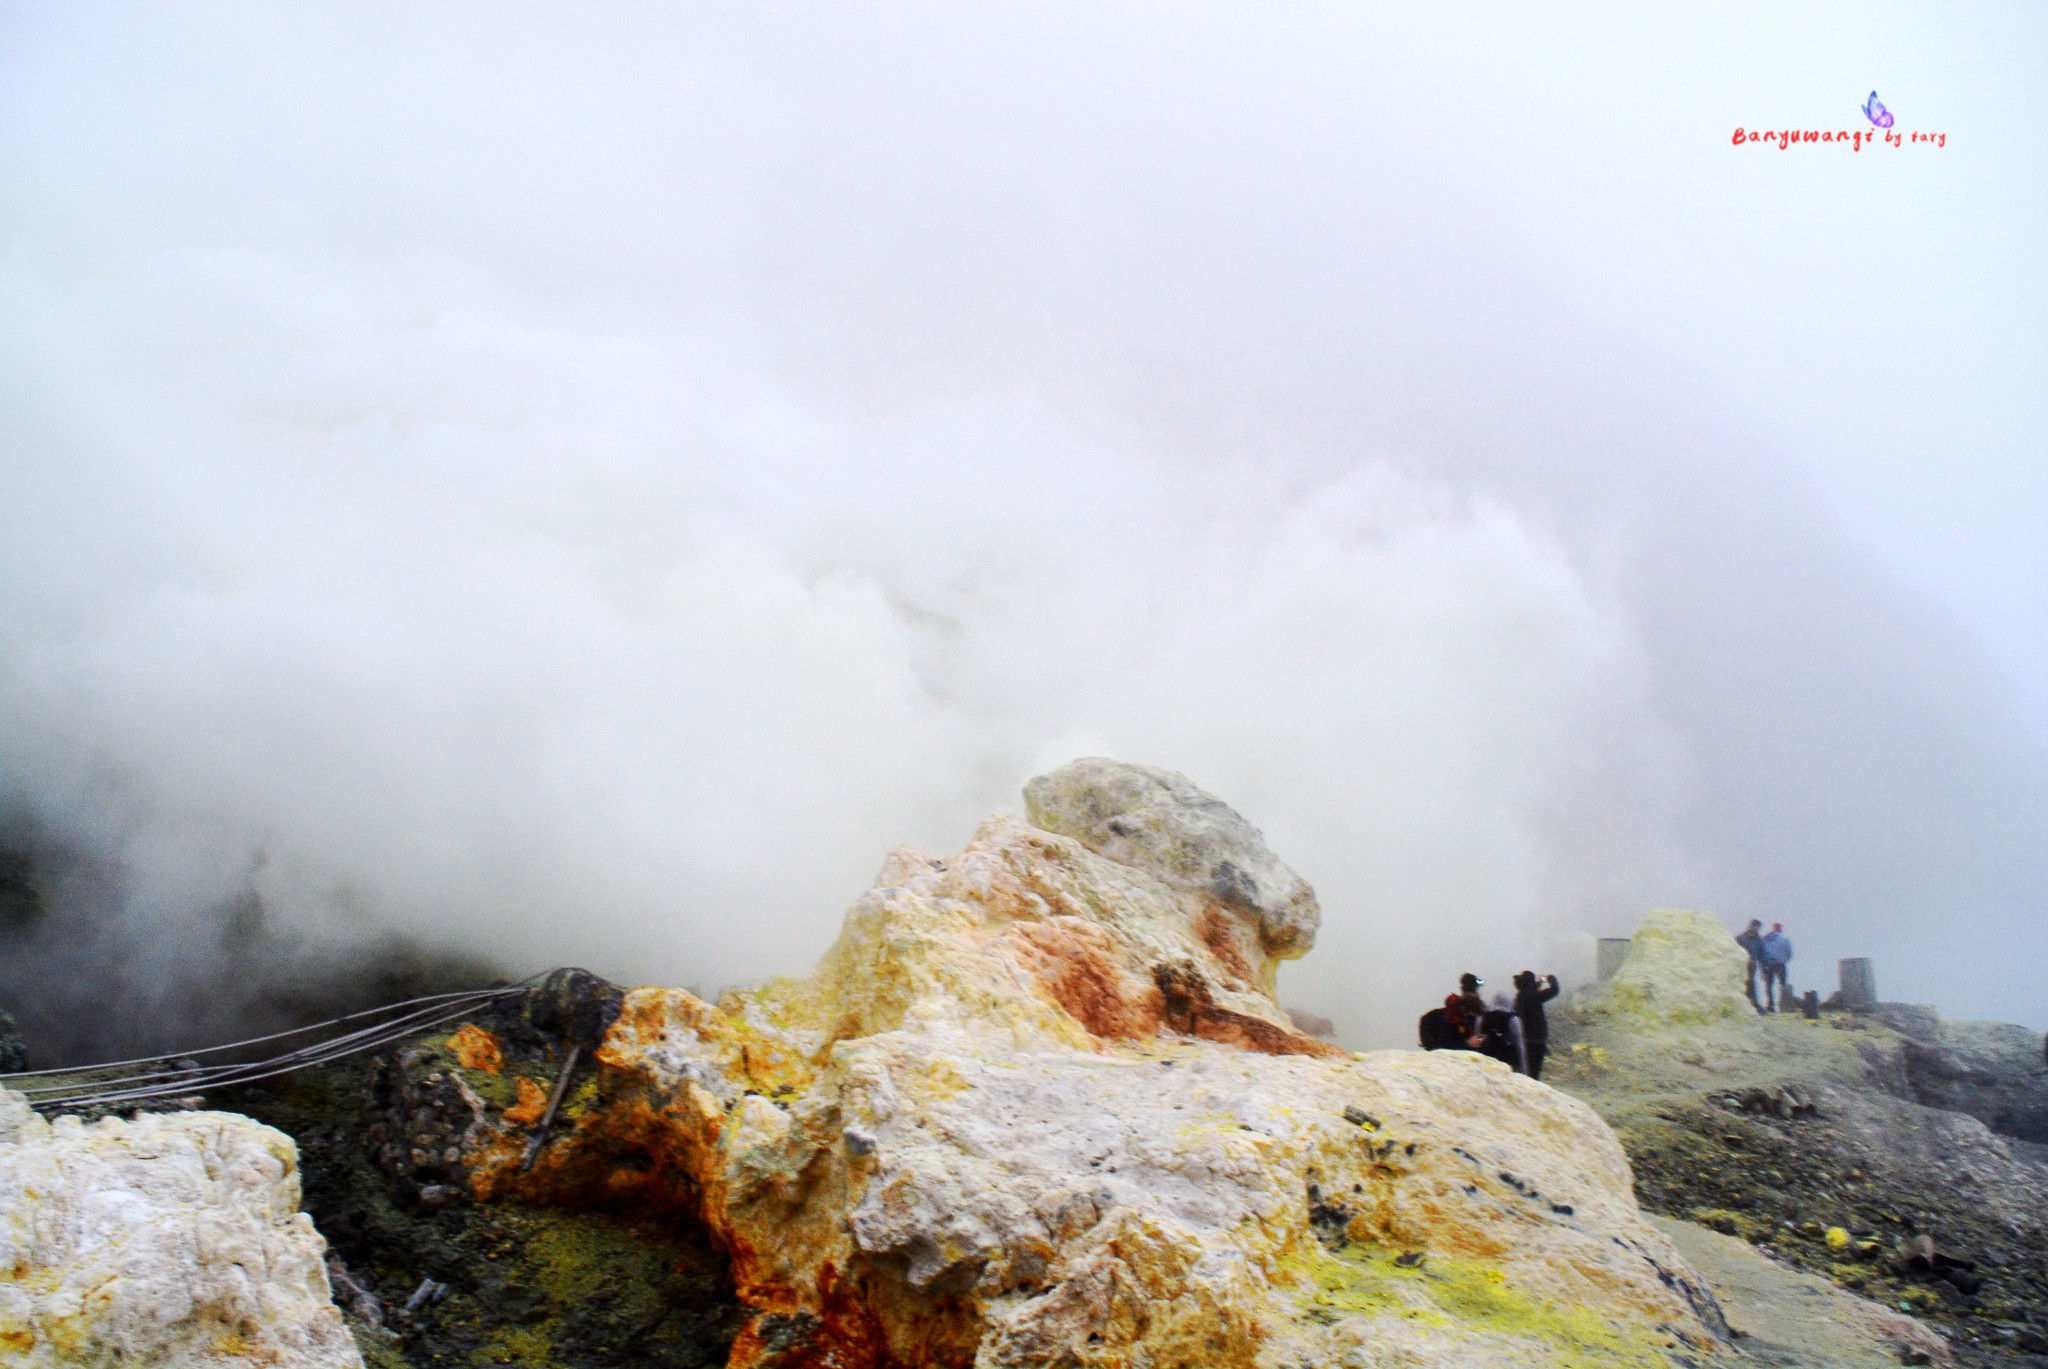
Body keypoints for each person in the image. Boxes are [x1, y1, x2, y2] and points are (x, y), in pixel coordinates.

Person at [1512, 970, 1561, 1080]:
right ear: (1530, 982)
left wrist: (1535, 987)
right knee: (1534, 1074)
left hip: (1525, 1040)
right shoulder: (1533, 997)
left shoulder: (1519, 998)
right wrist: (1550, 978)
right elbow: (1554, 990)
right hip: (1536, 1040)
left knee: (1526, 1071)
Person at [1481, 991, 1526, 1072]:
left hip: (1487, 1058)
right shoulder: (1512, 1019)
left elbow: (1479, 1037)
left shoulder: (1484, 1017)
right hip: (1508, 1061)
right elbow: (1519, 1045)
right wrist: (1524, 1068)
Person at [1758, 923, 1793, 1012]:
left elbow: (1761, 953)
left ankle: (1771, 1005)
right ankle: (1784, 1004)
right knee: (1782, 984)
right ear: (1780, 929)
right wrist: (1784, 961)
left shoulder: (1766, 938)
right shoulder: (1785, 939)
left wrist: (1762, 967)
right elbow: (1789, 953)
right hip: (1780, 964)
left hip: (1769, 964)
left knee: (1769, 985)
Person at [1735, 919, 1766, 1014]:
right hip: (1740, 965)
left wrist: (1763, 971)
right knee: (1740, 984)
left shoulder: (1759, 941)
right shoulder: (1740, 938)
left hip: (1752, 966)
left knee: (1751, 984)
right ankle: (1740, 1005)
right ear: (1749, 926)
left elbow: (1762, 956)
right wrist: (1744, 958)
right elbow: (1733, 950)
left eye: (1757, 927)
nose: (1754, 928)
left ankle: (1754, 1006)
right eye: (1753, 926)